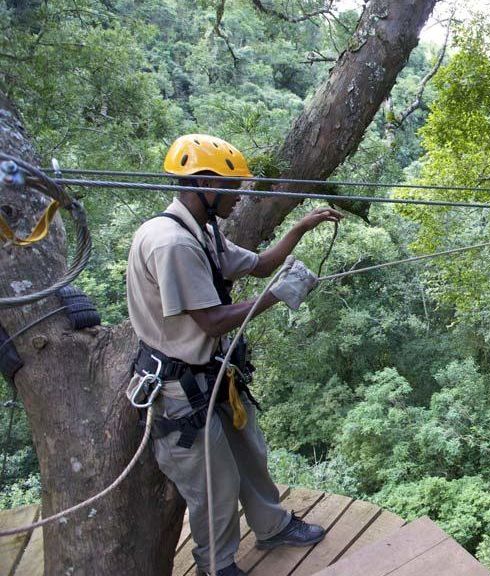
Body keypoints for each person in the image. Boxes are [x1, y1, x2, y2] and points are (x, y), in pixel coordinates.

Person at [125, 134, 343, 576]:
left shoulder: (199, 231)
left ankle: (272, 525)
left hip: (213, 375)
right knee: (214, 485)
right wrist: (277, 296)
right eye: (233, 187)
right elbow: (213, 321)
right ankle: (217, 565)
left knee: (249, 452)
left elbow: (260, 265)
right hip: (181, 387)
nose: (240, 198)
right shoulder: (174, 244)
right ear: (206, 185)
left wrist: (300, 229)